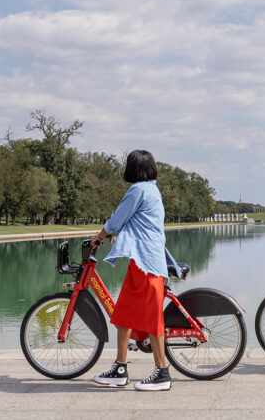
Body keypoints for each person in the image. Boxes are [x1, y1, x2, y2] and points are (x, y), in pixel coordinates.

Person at [91, 149, 173, 392]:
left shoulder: (138, 190)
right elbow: (134, 221)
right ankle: (120, 368)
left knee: (152, 319)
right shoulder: (151, 189)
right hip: (140, 262)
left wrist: (99, 237)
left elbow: (117, 219)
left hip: (147, 263)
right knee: (124, 315)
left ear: (133, 168)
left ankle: (162, 372)